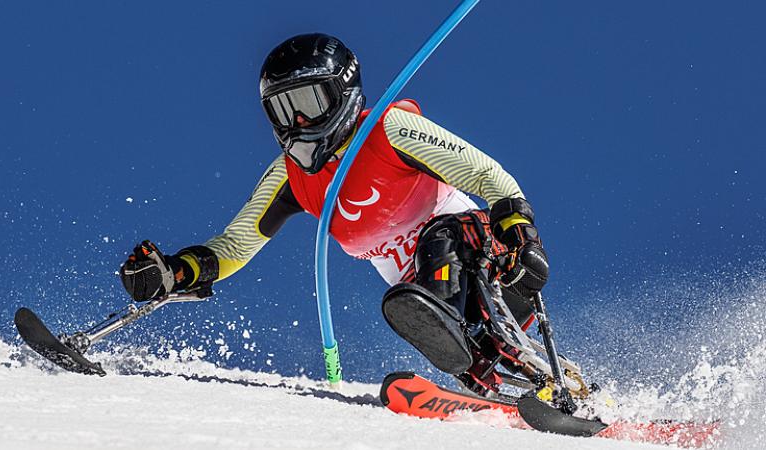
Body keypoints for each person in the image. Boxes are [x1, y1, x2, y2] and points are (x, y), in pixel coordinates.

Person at [120, 33, 549, 390]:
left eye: (310, 101)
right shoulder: (291, 177)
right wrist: (175, 273)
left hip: (487, 259)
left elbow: (490, 176)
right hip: (426, 296)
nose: (300, 122)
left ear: (343, 93)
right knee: (460, 343)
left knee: (438, 246)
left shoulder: (388, 131)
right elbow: (236, 244)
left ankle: (474, 342)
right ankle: (517, 381)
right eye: (284, 110)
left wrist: (521, 235)